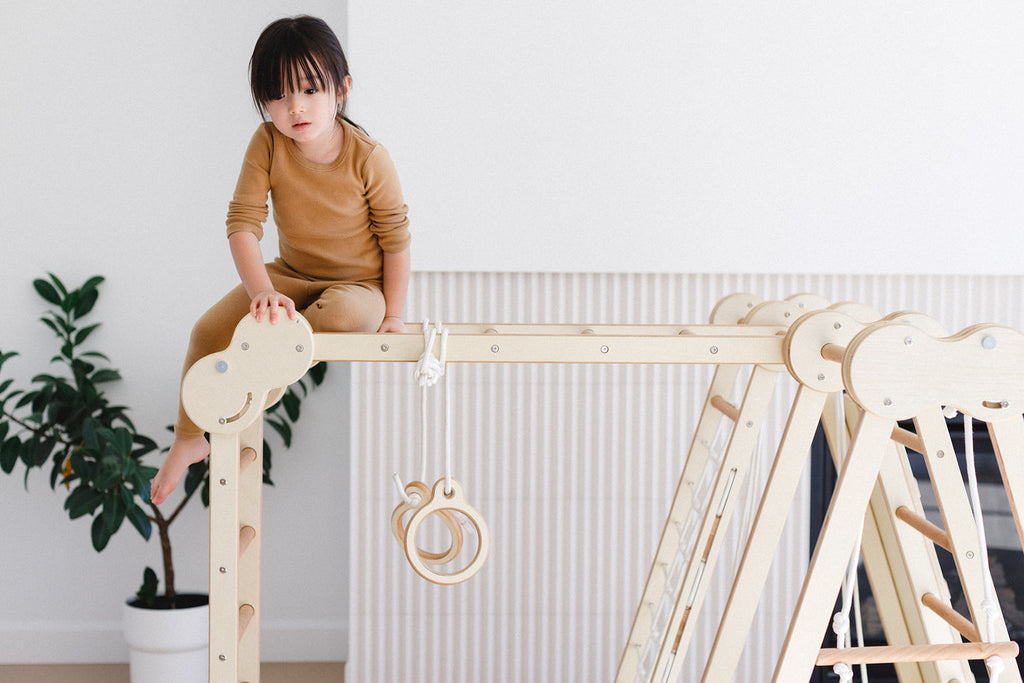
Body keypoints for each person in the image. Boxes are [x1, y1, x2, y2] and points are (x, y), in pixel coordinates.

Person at [150, 16, 411, 505]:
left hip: (359, 288)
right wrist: (262, 293)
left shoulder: (369, 157)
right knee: (207, 332)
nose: (295, 107)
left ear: (342, 90)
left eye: (311, 89)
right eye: (278, 95)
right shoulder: (267, 143)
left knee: (338, 316)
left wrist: (393, 315)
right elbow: (243, 225)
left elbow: (396, 239)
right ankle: (188, 438)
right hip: (290, 276)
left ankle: (256, 388)